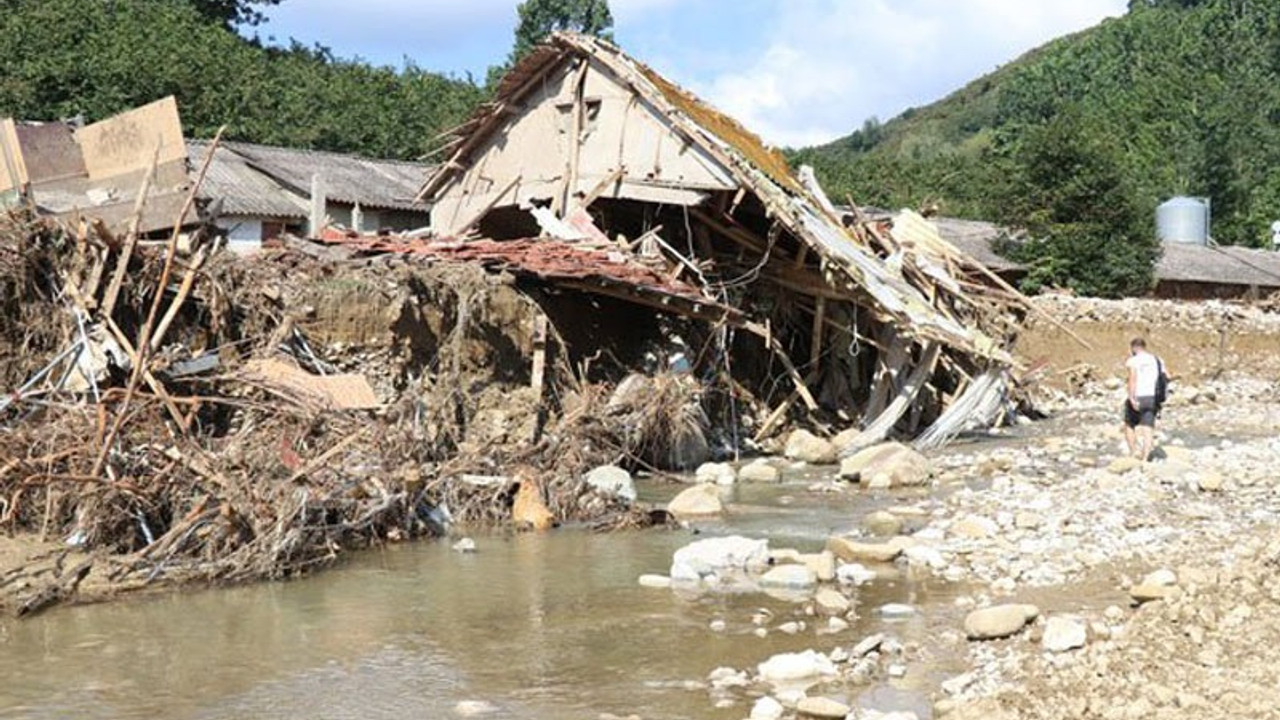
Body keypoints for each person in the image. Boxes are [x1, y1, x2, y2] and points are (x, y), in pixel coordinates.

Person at [1122, 337, 1163, 461]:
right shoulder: (1157, 360)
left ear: (1134, 348)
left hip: (1139, 395)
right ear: (1144, 347)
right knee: (1148, 427)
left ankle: (1133, 452)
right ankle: (1146, 458)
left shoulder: (1133, 361)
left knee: (1129, 424)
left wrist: (1131, 397)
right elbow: (1166, 376)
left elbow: (1132, 379)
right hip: (1152, 396)